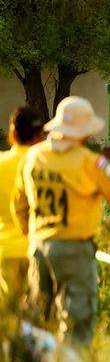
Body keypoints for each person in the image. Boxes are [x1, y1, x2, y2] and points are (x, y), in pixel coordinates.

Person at [12, 97, 110, 346]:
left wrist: (33, 234)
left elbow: (19, 204)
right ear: (84, 132)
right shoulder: (90, 162)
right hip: (75, 249)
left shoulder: (33, 156)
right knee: (76, 319)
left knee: (39, 316)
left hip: (39, 247)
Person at [0, 108, 45, 331]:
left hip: (5, 250)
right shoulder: (44, 164)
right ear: (39, 135)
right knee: (40, 319)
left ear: (12, 133)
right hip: (40, 249)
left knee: (8, 318)